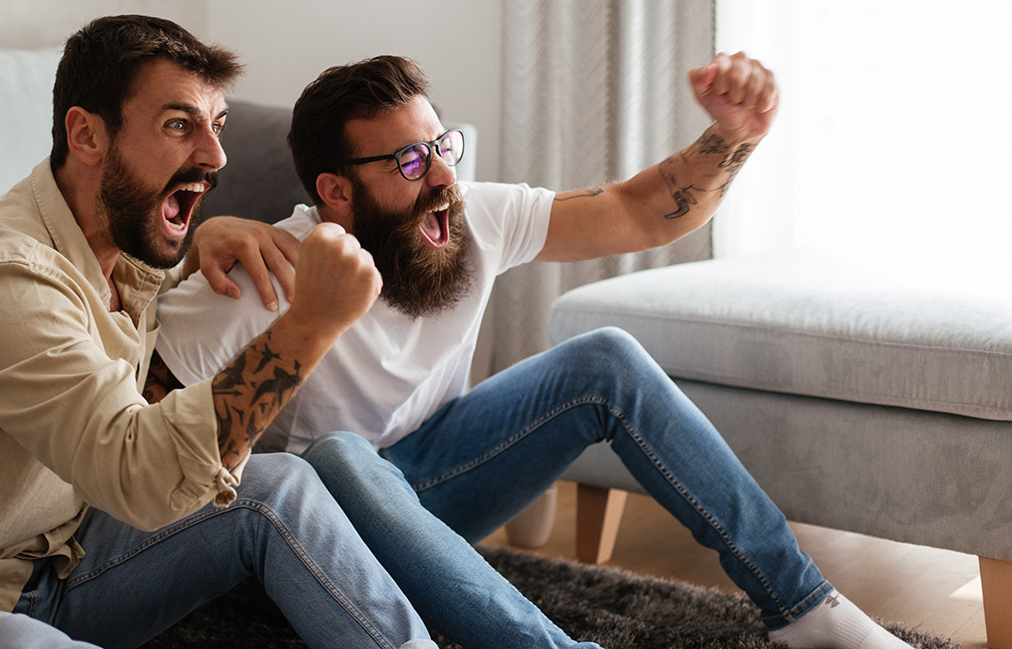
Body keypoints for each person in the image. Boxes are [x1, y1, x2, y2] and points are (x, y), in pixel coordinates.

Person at [154, 53, 916, 649]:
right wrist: (186, 257)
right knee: (338, 458)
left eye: (440, 146)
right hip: (311, 543)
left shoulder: (470, 214)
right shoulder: (258, 279)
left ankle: (806, 608)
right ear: (337, 192)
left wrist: (734, 135)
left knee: (606, 361)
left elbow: (636, 212)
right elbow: (134, 436)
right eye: (410, 164)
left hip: (432, 485)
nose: (445, 178)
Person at [0, 16, 439, 649]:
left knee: (279, 488)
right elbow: (141, 473)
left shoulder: (122, 253)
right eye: (178, 125)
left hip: (56, 564)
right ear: (86, 134)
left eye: (216, 126)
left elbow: (128, 316)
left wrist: (197, 248)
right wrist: (311, 323)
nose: (217, 156)